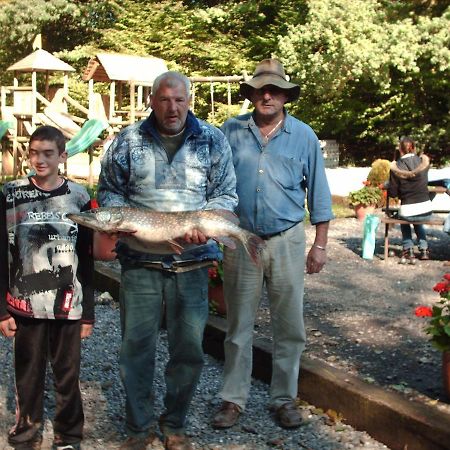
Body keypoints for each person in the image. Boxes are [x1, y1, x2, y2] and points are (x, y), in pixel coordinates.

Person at [97, 71, 237, 450]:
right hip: (140, 264)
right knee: (135, 348)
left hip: (191, 264)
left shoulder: (212, 139)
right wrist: (117, 218)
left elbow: (225, 195)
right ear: (153, 101)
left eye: (179, 100)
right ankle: (138, 428)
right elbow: (108, 188)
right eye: (164, 99)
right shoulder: (129, 140)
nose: (172, 107)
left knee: (188, 351)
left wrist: (204, 227)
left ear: (188, 101)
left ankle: (174, 425)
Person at [212, 59, 334, 430]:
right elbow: (211, 184)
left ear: (285, 96)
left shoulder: (304, 136)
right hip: (241, 239)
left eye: (275, 90)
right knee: (238, 326)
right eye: (261, 89)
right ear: (250, 94)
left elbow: (320, 194)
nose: (268, 95)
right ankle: (233, 399)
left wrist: (320, 245)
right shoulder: (229, 131)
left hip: (287, 240)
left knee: (290, 325)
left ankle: (283, 399)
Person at [0, 125, 95, 450]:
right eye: (34, 153)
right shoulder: (10, 195)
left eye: (48, 154)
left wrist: (88, 314)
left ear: (62, 156)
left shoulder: (80, 197)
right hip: (24, 305)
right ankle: (27, 432)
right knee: (28, 373)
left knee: (67, 376)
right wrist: (1, 310)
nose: (40, 160)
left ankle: (69, 436)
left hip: (69, 306)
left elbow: (87, 257)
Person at [388, 136, 433, 263]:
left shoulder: (396, 167)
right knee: (417, 218)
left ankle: (408, 249)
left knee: (405, 218)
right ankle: (424, 249)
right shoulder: (423, 164)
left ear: (400, 150)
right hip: (426, 209)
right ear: (414, 148)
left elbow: (392, 193)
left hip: (408, 210)